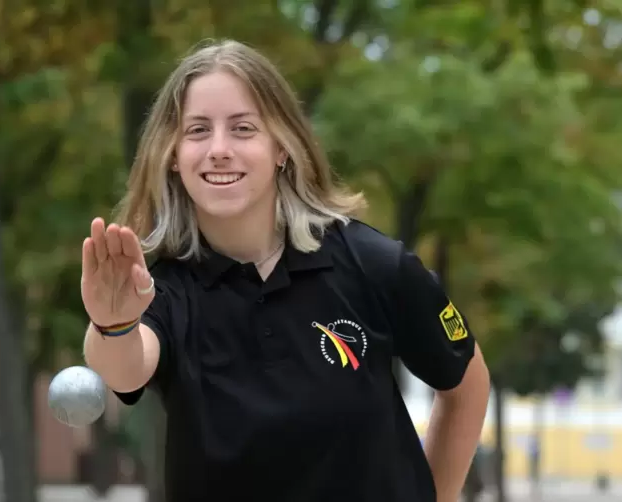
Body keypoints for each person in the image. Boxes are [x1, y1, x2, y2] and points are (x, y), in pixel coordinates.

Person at [82, 39, 490, 502]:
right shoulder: (163, 289)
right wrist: (113, 323)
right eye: (197, 130)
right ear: (172, 156)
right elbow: (127, 370)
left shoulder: (374, 264)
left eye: (242, 128)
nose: (219, 149)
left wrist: (438, 496)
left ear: (282, 147)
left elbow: (467, 382)